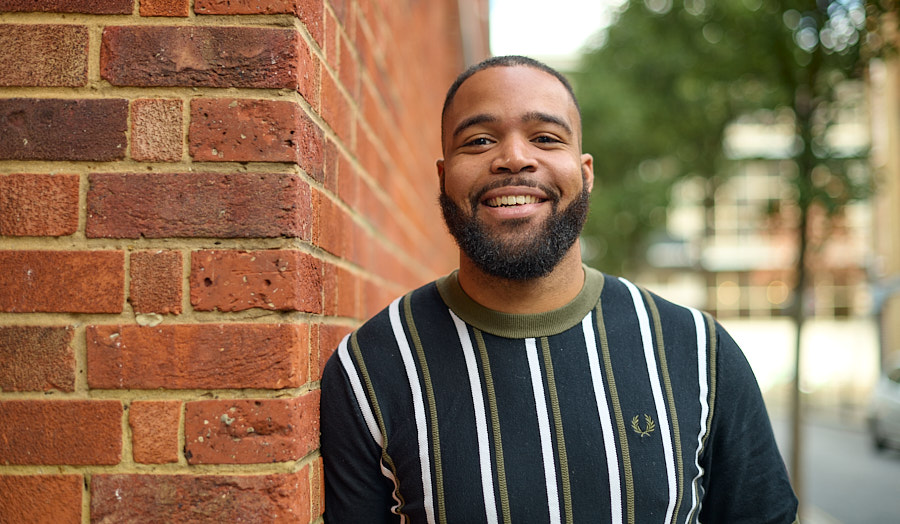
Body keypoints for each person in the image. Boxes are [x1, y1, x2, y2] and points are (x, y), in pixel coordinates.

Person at [320, 55, 798, 524]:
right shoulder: (369, 369)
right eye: (480, 140)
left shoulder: (697, 351)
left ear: (585, 172)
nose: (514, 158)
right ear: (444, 178)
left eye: (545, 138)